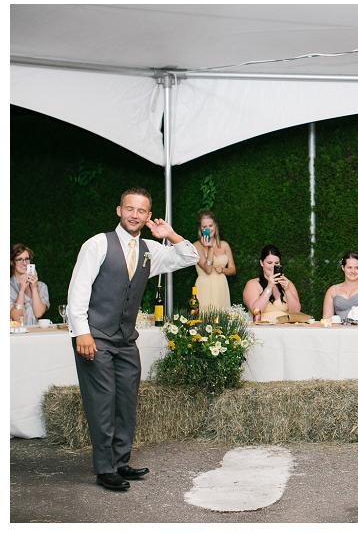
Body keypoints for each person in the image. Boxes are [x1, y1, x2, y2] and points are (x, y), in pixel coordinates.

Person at [66, 187, 199, 491]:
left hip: (126, 339)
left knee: (126, 399)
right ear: (119, 210)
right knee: (102, 401)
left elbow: (191, 257)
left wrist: (171, 234)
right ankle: (105, 469)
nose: (135, 215)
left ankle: (120, 461)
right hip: (95, 336)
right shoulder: (98, 244)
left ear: (148, 216)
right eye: (130, 209)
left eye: (141, 211)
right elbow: (78, 291)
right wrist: (82, 333)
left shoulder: (150, 250)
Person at [242, 245, 301, 318]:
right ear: (261, 263)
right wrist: (269, 288)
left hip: (284, 327)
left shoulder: (287, 283)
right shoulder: (253, 284)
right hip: (262, 328)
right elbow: (256, 313)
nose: (273, 266)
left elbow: (296, 313)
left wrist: (287, 290)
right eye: (269, 263)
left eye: (276, 263)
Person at [192, 210, 236, 309]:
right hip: (205, 286)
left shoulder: (224, 245)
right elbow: (207, 270)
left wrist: (223, 270)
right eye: (204, 227)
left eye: (210, 226)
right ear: (200, 229)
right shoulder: (196, 246)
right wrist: (210, 248)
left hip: (221, 286)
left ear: (215, 226)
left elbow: (233, 269)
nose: (208, 229)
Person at [322, 251, 358, 320]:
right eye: (349, 267)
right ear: (343, 268)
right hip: (338, 329)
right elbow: (326, 319)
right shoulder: (332, 290)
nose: (353, 271)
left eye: (356, 268)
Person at [10, 243, 50, 325]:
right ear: (11, 262)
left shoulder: (41, 286)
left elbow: (38, 313)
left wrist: (34, 288)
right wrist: (21, 291)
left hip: (33, 334)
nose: (24, 263)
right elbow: (15, 318)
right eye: (20, 259)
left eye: (27, 259)